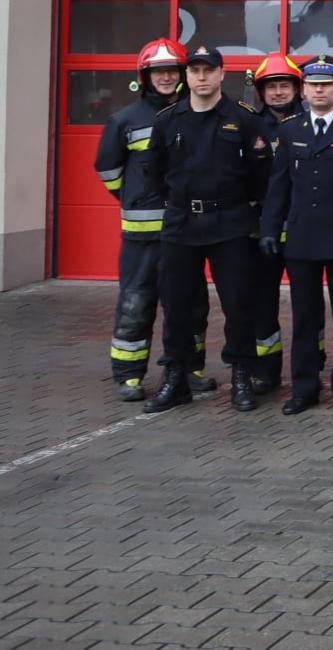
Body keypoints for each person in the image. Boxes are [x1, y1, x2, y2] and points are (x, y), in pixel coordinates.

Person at [140, 46, 274, 413]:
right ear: (187, 75)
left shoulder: (243, 119)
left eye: (208, 70)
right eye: (195, 70)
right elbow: (154, 172)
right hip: (181, 222)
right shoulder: (168, 120)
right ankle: (176, 378)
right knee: (177, 305)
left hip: (229, 222)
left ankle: (241, 376)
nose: (201, 76)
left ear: (221, 74)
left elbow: (262, 174)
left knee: (238, 304)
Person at [258, 55, 333, 414]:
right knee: (305, 316)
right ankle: (304, 388)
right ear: (305, 90)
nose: (319, 90)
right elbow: (279, 186)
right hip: (302, 238)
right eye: (313, 84)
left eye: (327, 84)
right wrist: (269, 229)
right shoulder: (290, 130)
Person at [96, 38, 204, 402]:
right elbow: (109, 171)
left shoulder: (194, 113)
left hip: (187, 230)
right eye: (158, 71)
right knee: (136, 302)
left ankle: (190, 368)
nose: (165, 77)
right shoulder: (124, 120)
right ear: (145, 76)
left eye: (171, 71)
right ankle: (129, 374)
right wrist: (134, 199)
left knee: (190, 303)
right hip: (142, 235)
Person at [243, 54, 306, 396]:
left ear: (297, 89)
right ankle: (265, 370)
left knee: (306, 300)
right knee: (261, 302)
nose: (279, 92)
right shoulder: (250, 127)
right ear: (261, 92)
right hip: (261, 231)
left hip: (302, 227)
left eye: (285, 85)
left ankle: (309, 364)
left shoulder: (313, 122)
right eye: (272, 87)